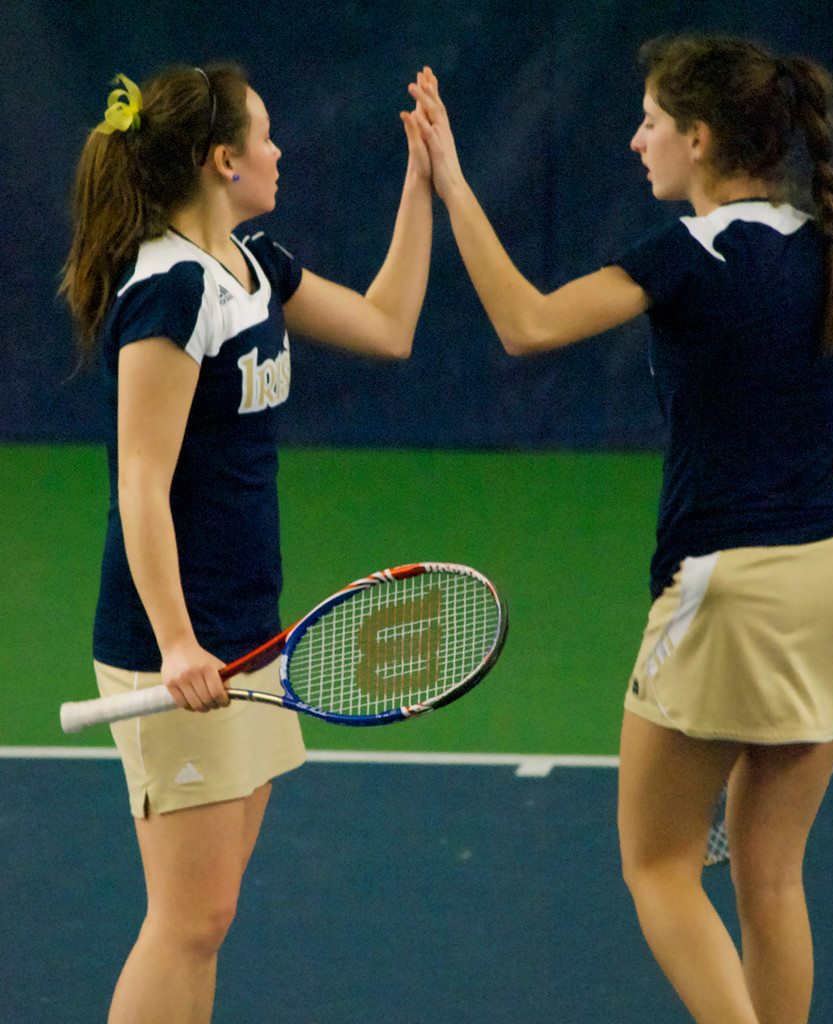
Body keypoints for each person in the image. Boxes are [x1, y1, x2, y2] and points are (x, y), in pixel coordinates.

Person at [407, 35, 833, 1024]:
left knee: (657, 866)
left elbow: (525, 325)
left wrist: (450, 183)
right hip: (832, 577)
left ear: (697, 139)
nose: (634, 139)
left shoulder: (685, 256)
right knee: (769, 878)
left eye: (650, 121)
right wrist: (817, 517)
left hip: (724, 588)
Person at [60, 63, 433, 1023]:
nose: (278, 152)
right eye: (264, 137)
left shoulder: (252, 266)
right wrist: (178, 642)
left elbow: (389, 328)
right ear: (223, 160)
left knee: (209, 917)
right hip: (175, 644)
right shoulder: (172, 291)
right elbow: (139, 482)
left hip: (252, 636)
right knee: (184, 921)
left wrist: (422, 182)